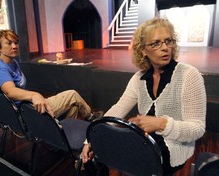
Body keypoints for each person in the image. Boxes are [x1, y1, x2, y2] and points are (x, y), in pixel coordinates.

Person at [81, 17, 206, 175]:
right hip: (144, 138)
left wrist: (162, 124)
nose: (165, 48)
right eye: (156, 43)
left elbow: (197, 128)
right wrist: (92, 138)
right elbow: (119, 108)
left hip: (174, 145)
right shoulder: (139, 78)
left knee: (132, 160)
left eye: (169, 41)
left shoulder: (189, 75)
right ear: (143, 50)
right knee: (97, 152)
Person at [0, 29, 103, 121]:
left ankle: (57, 138)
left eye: (16, 43)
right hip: (23, 114)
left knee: (74, 108)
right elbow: (9, 91)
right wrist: (34, 95)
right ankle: (90, 116)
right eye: (9, 43)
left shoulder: (12, 62)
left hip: (25, 108)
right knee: (72, 95)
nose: (14, 46)